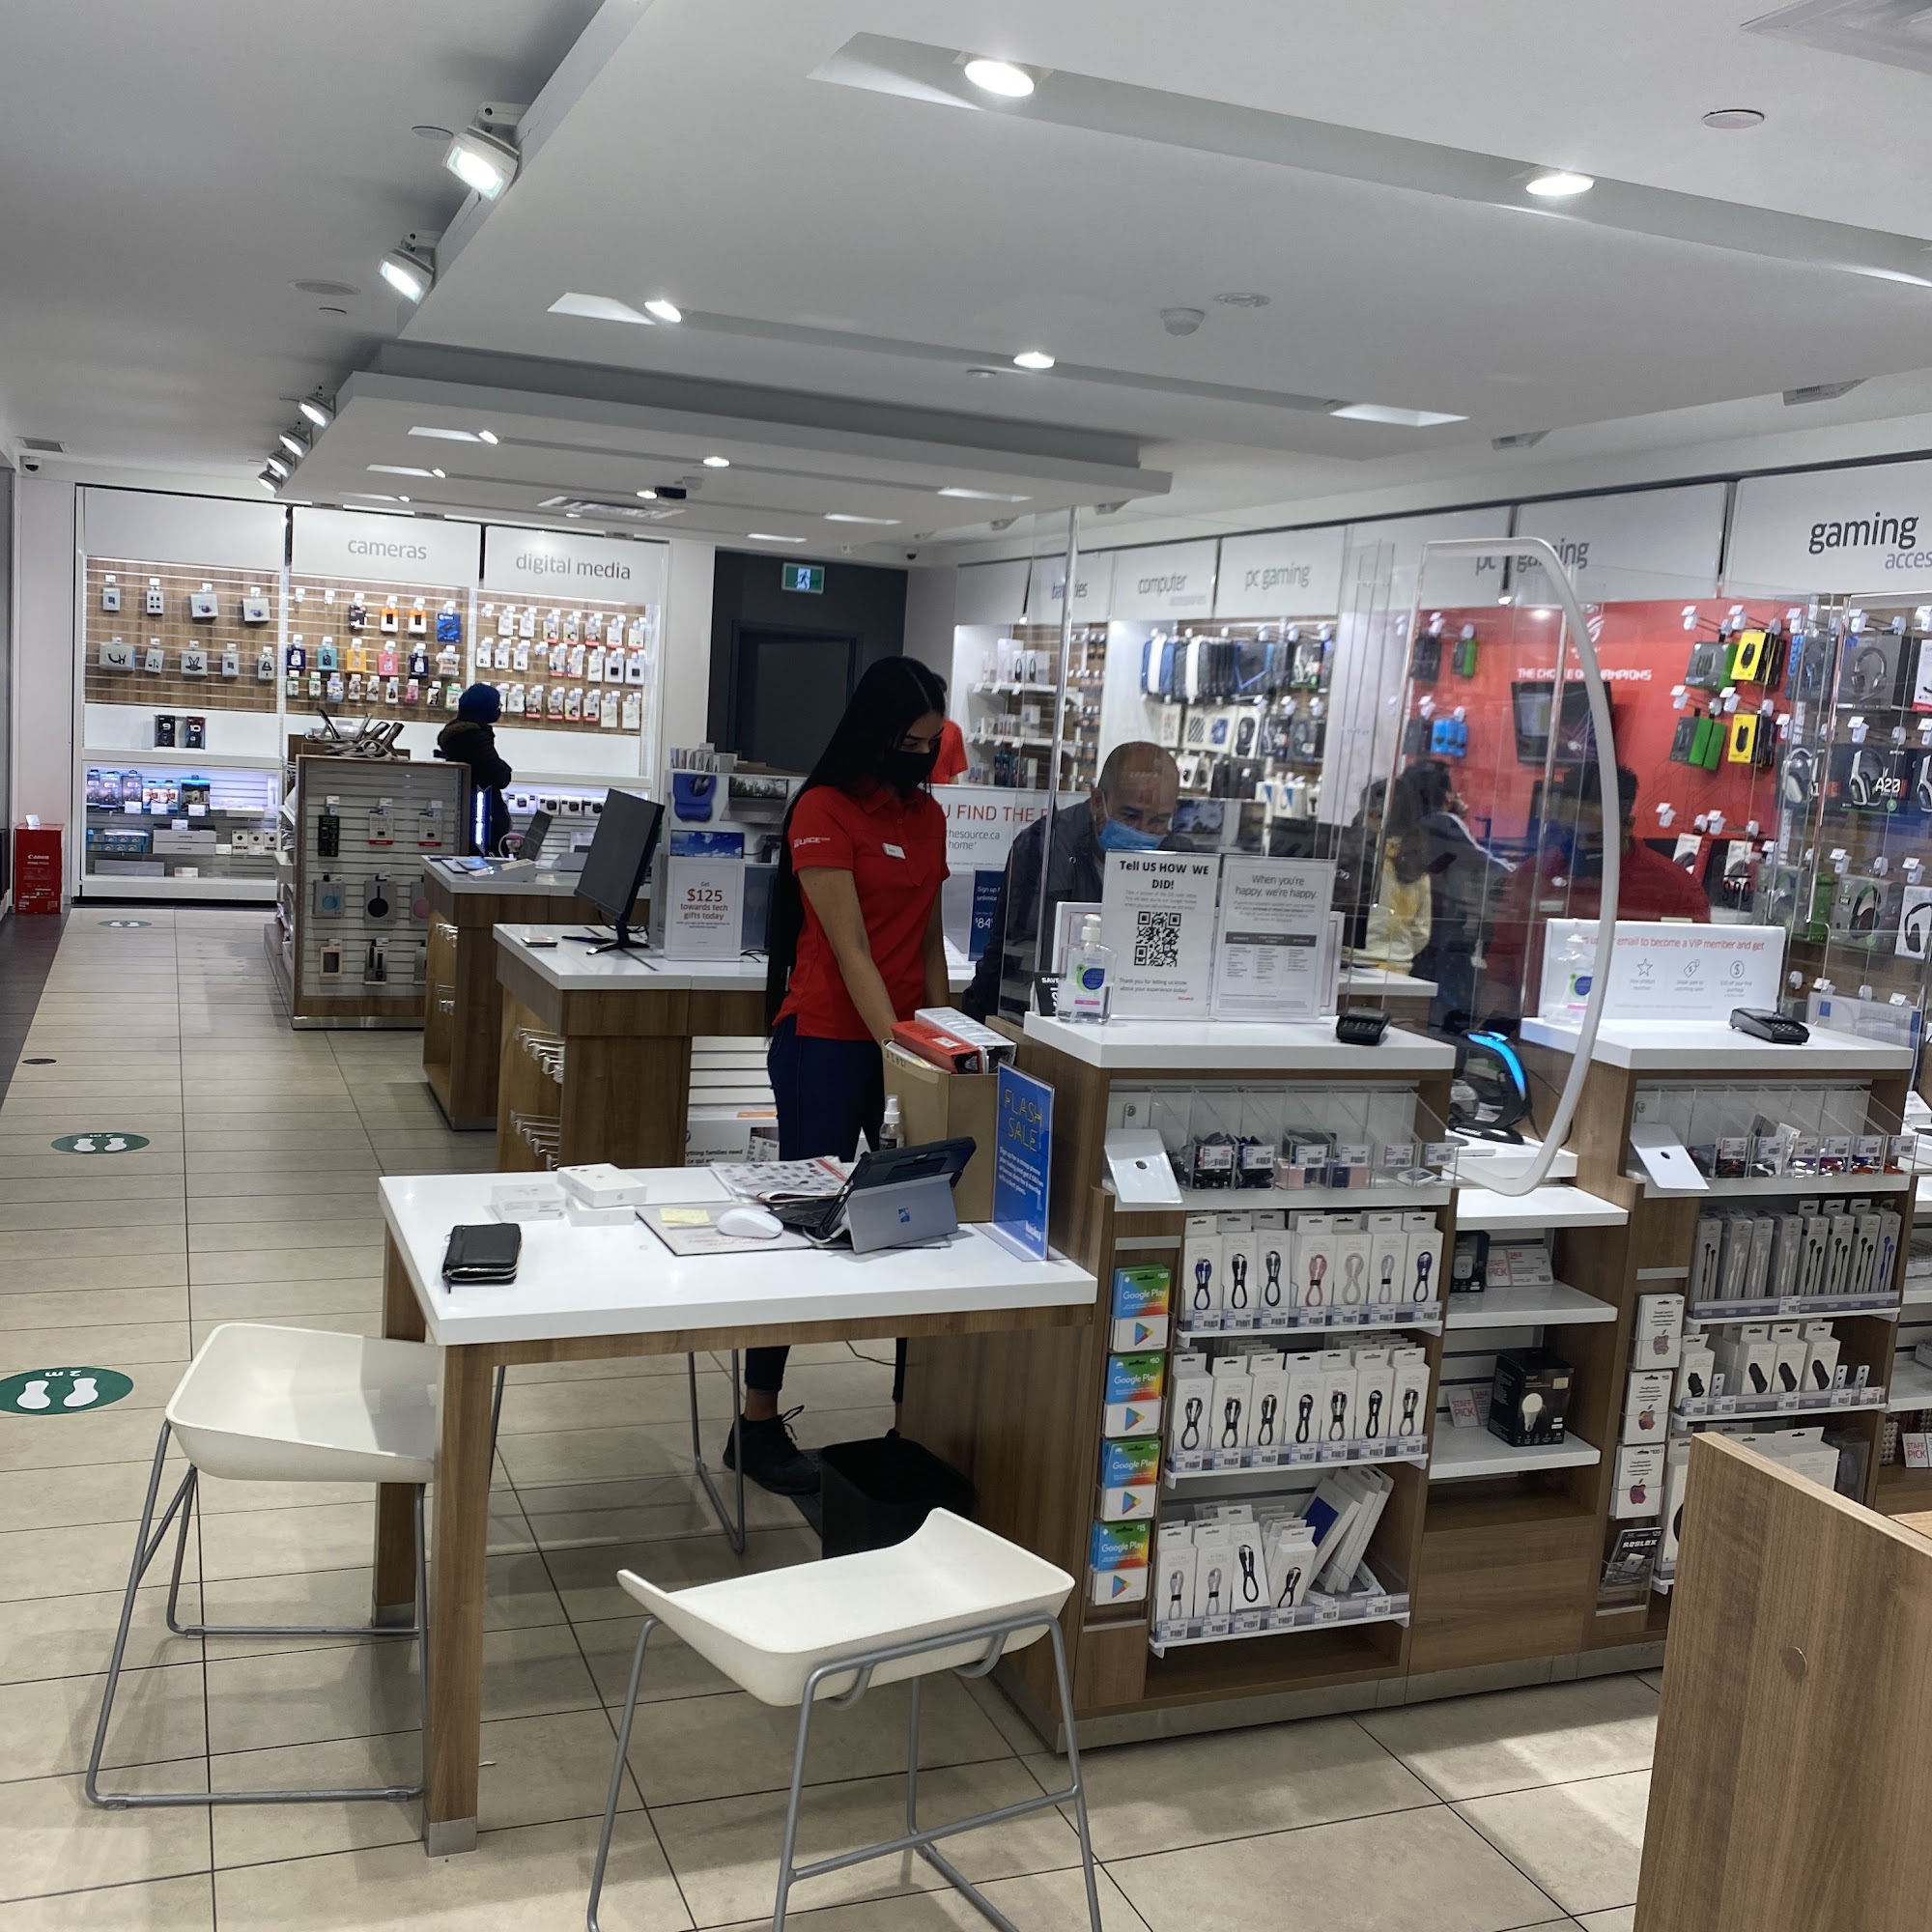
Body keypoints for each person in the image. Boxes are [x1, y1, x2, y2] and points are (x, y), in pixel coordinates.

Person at [731, 657, 953, 1495]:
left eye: (932, 745)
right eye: (910, 743)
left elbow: (927, 945)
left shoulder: (928, 817)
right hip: (826, 1040)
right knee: (804, 1229)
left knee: (925, 1223)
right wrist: (898, 1047)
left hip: (904, 1043)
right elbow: (851, 949)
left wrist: (946, 1043)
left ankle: (913, 1416)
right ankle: (757, 1422)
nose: (921, 759)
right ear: (876, 733)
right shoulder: (823, 810)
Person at [961, 741, 1180, 1023]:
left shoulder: (1180, 858)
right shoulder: (1047, 846)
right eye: (1130, 816)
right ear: (1097, 801)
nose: (1143, 831)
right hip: (1050, 1016)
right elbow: (1019, 961)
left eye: (1159, 820)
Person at [1481, 760, 1709, 1024]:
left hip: (1627, 1036)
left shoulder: (1675, 890)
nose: (1580, 846)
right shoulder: (1532, 877)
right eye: (1570, 834)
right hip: (1537, 1031)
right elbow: (1501, 976)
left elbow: (1693, 988)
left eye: (1594, 837)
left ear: (1627, 826)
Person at [436, 684, 512, 855]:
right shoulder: (473, 735)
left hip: (472, 813)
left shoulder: (458, 733)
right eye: (497, 705)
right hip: (481, 819)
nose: (498, 710)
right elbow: (499, 775)